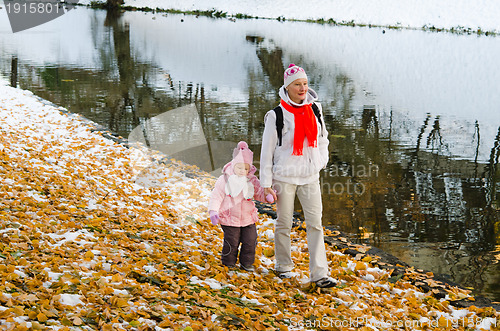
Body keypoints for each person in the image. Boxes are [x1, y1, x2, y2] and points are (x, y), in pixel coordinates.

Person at [259, 64, 337, 288]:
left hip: (310, 176)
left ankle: (319, 273)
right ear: (287, 86)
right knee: (284, 223)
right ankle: (283, 266)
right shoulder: (276, 115)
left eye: (305, 83)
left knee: (316, 224)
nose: (303, 88)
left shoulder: (315, 109)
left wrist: (321, 161)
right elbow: (267, 151)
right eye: (297, 84)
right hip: (284, 177)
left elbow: (323, 139)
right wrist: (266, 184)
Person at [208, 141, 274, 272]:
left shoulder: (251, 181)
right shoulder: (225, 179)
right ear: (233, 165)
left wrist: (267, 197)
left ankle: (247, 263)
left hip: (247, 217)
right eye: (239, 168)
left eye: (245, 168)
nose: (242, 171)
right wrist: (213, 211)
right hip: (229, 218)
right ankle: (228, 263)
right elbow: (216, 196)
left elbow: (258, 193)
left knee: (250, 240)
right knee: (231, 242)